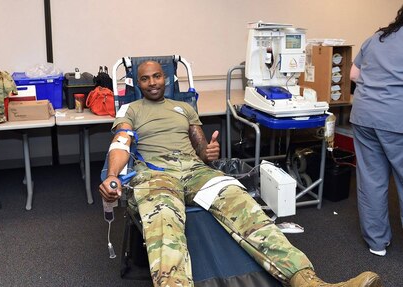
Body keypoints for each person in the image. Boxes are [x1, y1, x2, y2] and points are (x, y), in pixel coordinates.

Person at [99, 60, 381, 287]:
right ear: (138, 83)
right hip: (156, 175)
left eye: (157, 76)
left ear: (167, 79)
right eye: (145, 79)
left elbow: (200, 146)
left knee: (243, 202)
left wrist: (208, 151)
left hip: (195, 171)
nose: (152, 83)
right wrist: (112, 174)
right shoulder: (130, 109)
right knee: (163, 220)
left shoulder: (184, 108)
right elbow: (121, 142)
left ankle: (308, 281)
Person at [349, 5, 403, 257]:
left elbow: (353, 74)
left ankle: (377, 243)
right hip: (396, 120)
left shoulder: (377, 38)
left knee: (371, 179)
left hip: (364, 115)